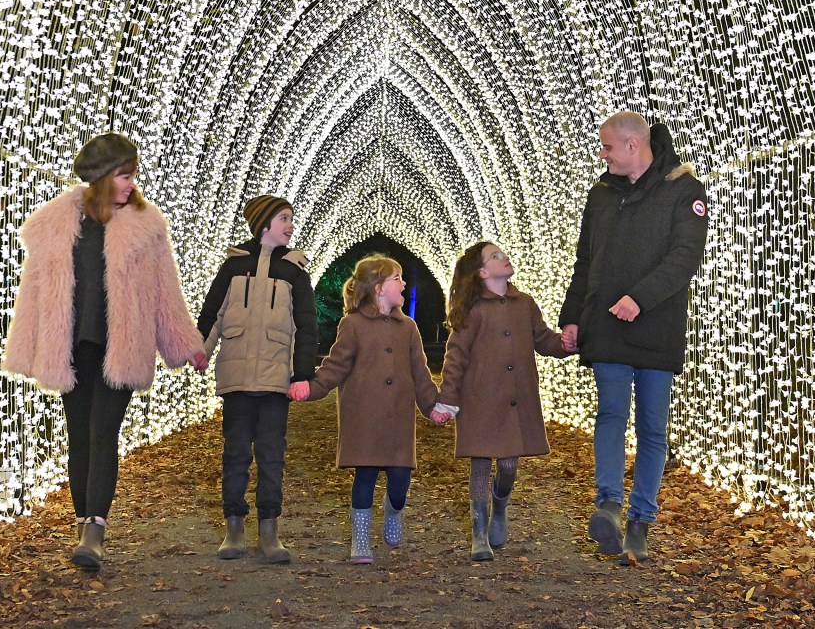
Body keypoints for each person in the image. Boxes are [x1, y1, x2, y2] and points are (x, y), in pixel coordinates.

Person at [0, 132, 209, 570]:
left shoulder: (145, 226)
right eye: (124, 175)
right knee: (79, 437)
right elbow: (34, 292)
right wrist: (26, 347)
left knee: (102, 433)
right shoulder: (56, 225)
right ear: (100, 178)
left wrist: (186, 345)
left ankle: (95, 530)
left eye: (133, 175)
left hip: (122, 347)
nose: (131, 184)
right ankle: (82, 526)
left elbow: (164, 292)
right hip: (71, 346)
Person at [558, 112, 707, 565]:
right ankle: (608, 504)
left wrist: (639, 299)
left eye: (607, 147)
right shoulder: (600, 196)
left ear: (631, 146)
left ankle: (641, 519)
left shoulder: (683, 190)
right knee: (610, 413)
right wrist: (572, 316)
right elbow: (586, 261)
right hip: (606, 324)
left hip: (657, 328)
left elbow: (686, 258)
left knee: (652, 428)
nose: (602, 155)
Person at [289, 255, 446, 564]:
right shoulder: (353, 325)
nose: (403, 284)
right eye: (397, 279)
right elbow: (335, 366)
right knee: (365, 477)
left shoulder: (408, 328)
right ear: (378, 288)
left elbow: (421, 373)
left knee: (400, 479)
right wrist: (311, 387)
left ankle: (393, 511)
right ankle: (360, 542)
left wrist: (433, 406)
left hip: (398, 419)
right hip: (363, 417)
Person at [195, 194, 319, 563]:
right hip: (235, 376)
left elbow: (306, 327)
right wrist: (200, 348)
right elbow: (212, 313)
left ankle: (269, 529)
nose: (290, 225)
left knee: (271, 454)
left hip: (275, 380)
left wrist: (301, 375)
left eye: (291, 219)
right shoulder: (233, 267)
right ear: (263, 224)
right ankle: (234, 526)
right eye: (284, 218)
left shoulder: (295, 271)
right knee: (234, 453)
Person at [435, 241, 574, 561]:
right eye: (495, 256)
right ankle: (479, 531)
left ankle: (500, 505)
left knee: (509, 465)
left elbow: (543, 339)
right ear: (482, 272)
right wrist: (448, 399)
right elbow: (456, 356)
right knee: (481, 463)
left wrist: (566, 344)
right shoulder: (471, 309)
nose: (504, 257)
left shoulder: (524, 303)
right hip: (480, 398)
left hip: (516, 397)